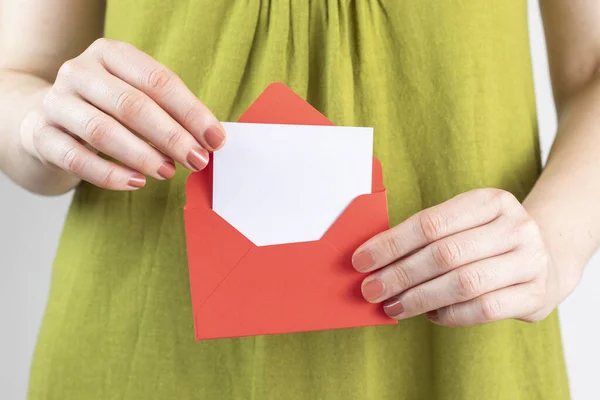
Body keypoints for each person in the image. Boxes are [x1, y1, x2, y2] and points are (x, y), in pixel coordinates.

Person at [1, 1, 597, 399]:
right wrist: (40, 122)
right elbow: (17, 74)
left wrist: (556, 239)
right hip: (141, 344)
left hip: (458, 346)